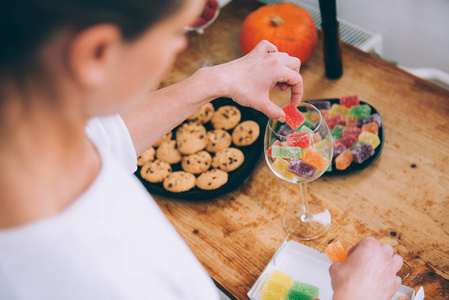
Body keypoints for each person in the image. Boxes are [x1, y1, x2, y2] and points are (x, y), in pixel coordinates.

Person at [0, 0, 403, 299]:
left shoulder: (41, 134)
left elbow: (106, 139)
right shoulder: (92, 278)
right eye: (176, 33)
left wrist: (214, 80)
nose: (178, 48)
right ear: (97, 53)